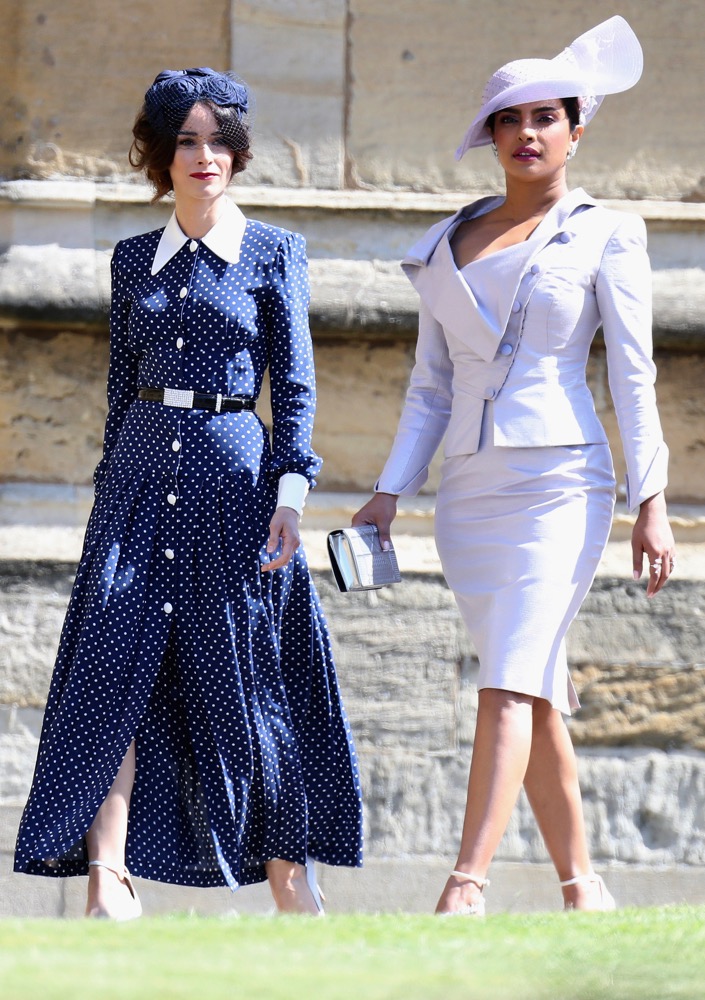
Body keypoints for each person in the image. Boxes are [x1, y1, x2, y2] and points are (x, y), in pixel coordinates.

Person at [14, 67, 363, 919]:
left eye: (219, 141)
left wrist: (291, 494)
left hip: (240, 483)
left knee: (251, 671)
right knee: (111, 668)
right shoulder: (132, 260)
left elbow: (299, 391)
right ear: (159, 155)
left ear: (238, 154)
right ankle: (109, 876)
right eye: (186, 140)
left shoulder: (276, 253)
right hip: (137, 479)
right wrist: (108, 499)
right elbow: (118, 387)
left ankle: (288, 872)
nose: (204, 156)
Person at [353, 16, 674, 915]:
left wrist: (652, 498)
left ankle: (465, 886)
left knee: (505, 682)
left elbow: (633, 372)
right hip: (468, 496)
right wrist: (387, 493)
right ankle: (584, 887)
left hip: (563, 484)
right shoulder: (447, 240)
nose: (527, 133)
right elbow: (428, 389)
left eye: (545, 116)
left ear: (577, 129)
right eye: (509, 119)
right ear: (489, 136)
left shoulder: (608, 232)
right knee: (530, 687)